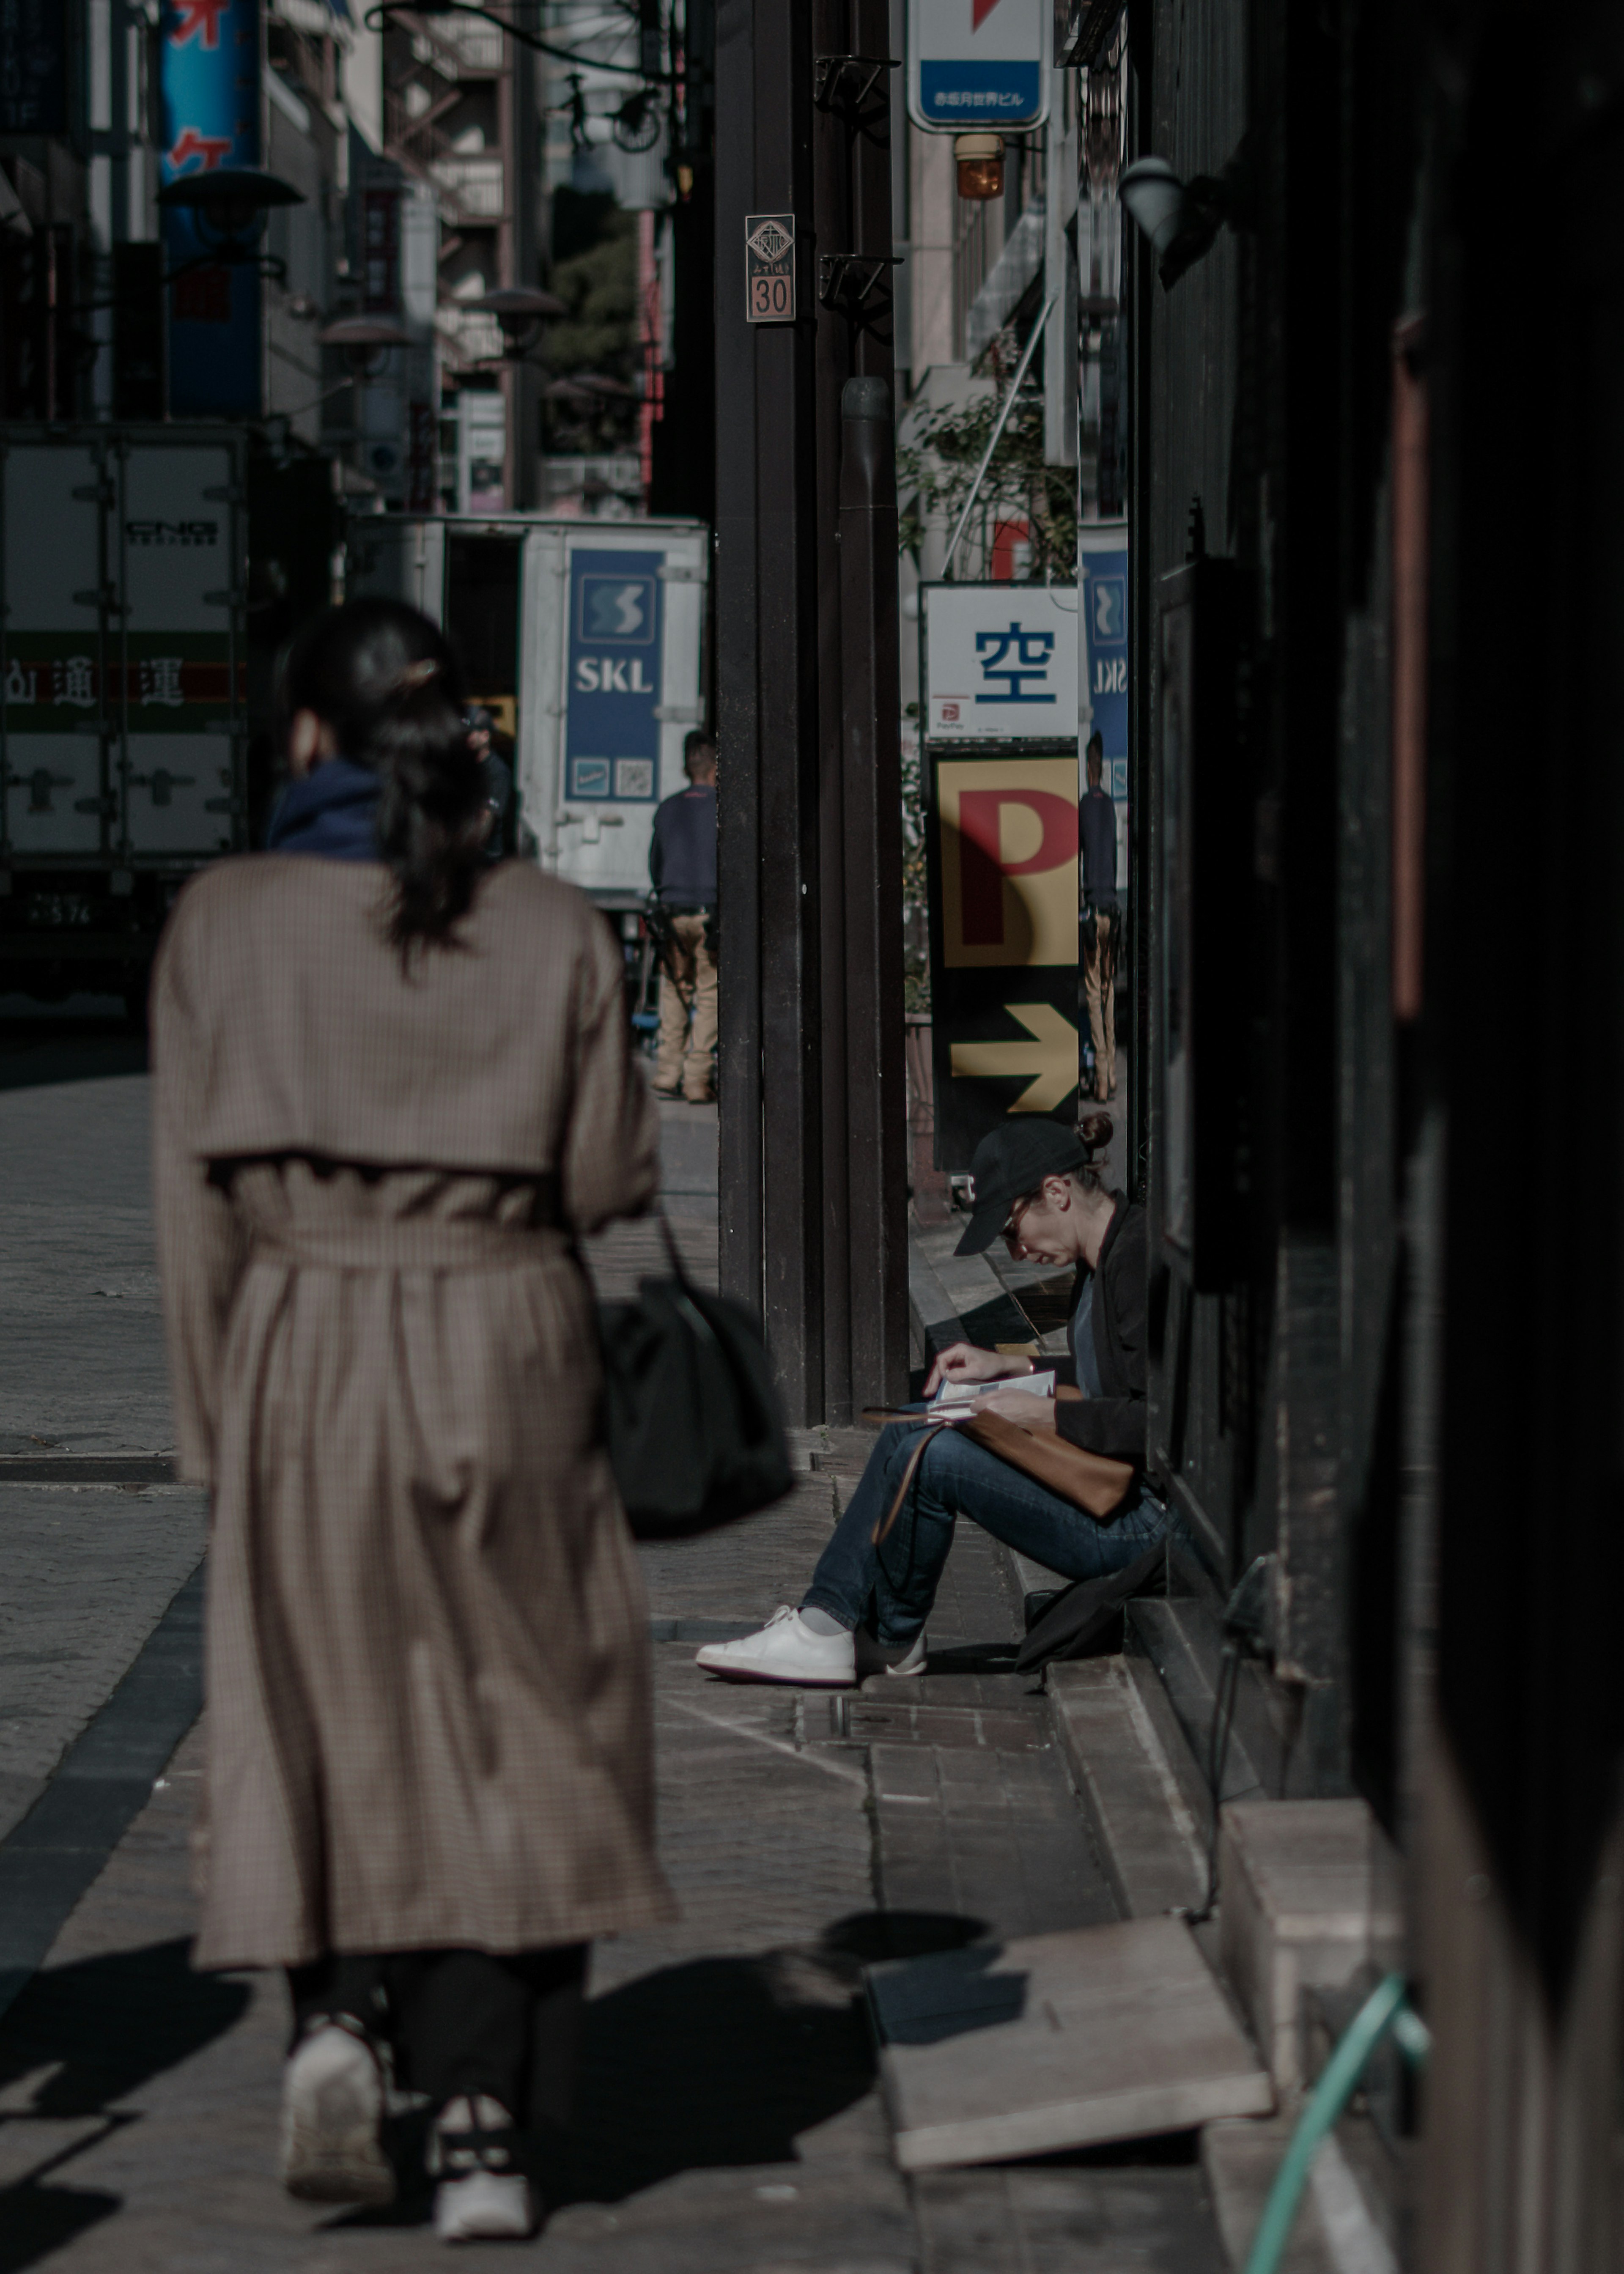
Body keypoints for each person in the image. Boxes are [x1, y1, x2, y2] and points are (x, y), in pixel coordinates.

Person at [151, 598, 672, 2242]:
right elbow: (609, 1182)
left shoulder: (223, 920)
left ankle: (333, 2023)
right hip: (507, 1328)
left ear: (309, 733)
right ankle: (480, 2121)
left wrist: (213, 1434)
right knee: (526, 1714)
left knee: (327, 1699)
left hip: (303, 1336)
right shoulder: (549, 926)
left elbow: (193, 1211)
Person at [696, 1116, 1174, 1687]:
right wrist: (1013, 1367)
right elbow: (1115, 1377)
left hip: (1140, 1524)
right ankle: (868, 1633)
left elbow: (1159, 1422)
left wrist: (1042, 1411)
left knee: (936, 1457)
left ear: (1056, 1192)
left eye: (1012, 1230)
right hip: (1113, 1491)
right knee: (911, 1427)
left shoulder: (1136, 1261)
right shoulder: (1102, 1259)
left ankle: (835, 1632)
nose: (1018, 1252)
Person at [647, 730, 717, 1103]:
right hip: (709, 916)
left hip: (671, 914)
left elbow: (654, 864)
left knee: (674, 990)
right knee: (709, 994)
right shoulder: (723, 807)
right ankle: (696, 1079)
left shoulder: (668, 808)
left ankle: (666, 1072)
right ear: (715, 767)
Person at [1080, 730, 1120, 1103]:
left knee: (1093, 993)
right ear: (1103, 768)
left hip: (1092, 912)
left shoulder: (1082, 806)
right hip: (1113, 910)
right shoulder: (1108, 805)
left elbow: (1081, 860)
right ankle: (1114, 1072)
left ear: (1086, 768)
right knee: (1109, 992)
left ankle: (1103, 1076)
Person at [465, 704, 513, 862]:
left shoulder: (498, 772)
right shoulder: (462, 767)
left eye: (470, 733)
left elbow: (487, 818)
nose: (465, 739)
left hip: (486, 858)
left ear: (486, 736)